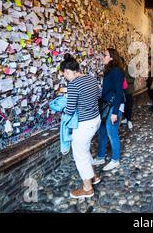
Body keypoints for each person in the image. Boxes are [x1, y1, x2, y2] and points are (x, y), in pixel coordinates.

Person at [60, 53, 102, 199]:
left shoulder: (73, 84)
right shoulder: (91, 78)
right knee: (84, 150)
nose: (65, 78)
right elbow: (98, 95)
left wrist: (62, 111)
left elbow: (70, 109)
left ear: (67, 71)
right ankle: (94, 177)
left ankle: (87, 188)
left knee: (79, 155)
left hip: (84, 124)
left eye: (64, 75)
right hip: (96, 120)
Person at [92, 48, 125, 171]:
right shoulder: (109, 71)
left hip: (114, 105)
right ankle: (100, 157)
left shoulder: (116, 71)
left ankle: (115, 160)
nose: (103, 57)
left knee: (112, 132)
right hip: (106, 105)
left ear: (111, 57)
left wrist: (115, 112)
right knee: (102, 131)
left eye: (105, 55)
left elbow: (119, 92)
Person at [120, 57, 135, 131]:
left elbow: (133, 78)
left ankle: (129, 120)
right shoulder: (119, 69)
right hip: (122, 91)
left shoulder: (130, 68)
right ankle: (126, 118)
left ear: (123, 62)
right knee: (124, 106)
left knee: (129, 105)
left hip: (129, 90)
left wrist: (125, 79)